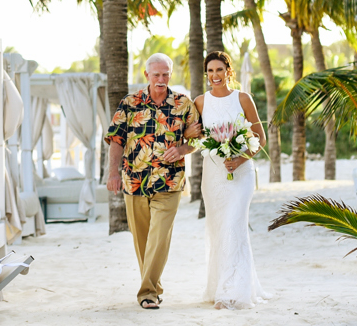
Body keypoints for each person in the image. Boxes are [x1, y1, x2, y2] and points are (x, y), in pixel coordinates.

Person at [105, 53, 202, 310]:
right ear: (147, 75)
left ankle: (146, 292)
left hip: (170, 182)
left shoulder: (183, 104)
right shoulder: (129, 103)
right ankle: (154, 287)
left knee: (159, 237)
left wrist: (182, 150)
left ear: (171, 74)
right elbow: (116, 139)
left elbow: (197, 137)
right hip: (134, 180)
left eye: (166, 74)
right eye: (156, 74)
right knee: (142, 240)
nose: (161, 79)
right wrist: (112, 173)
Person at [194, 50, 270, 310]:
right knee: (218, 229)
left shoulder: (243, 98)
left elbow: (260, 138)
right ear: (206, 75)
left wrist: (240, 159)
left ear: (228, 71)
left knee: (234, 226)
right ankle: (220, 286)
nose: (215, 75)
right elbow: (193, 136)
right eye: (210, 71)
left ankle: (233, 292)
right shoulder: (201, 103)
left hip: (241, 174)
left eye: (219, 70)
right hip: (213, 175)